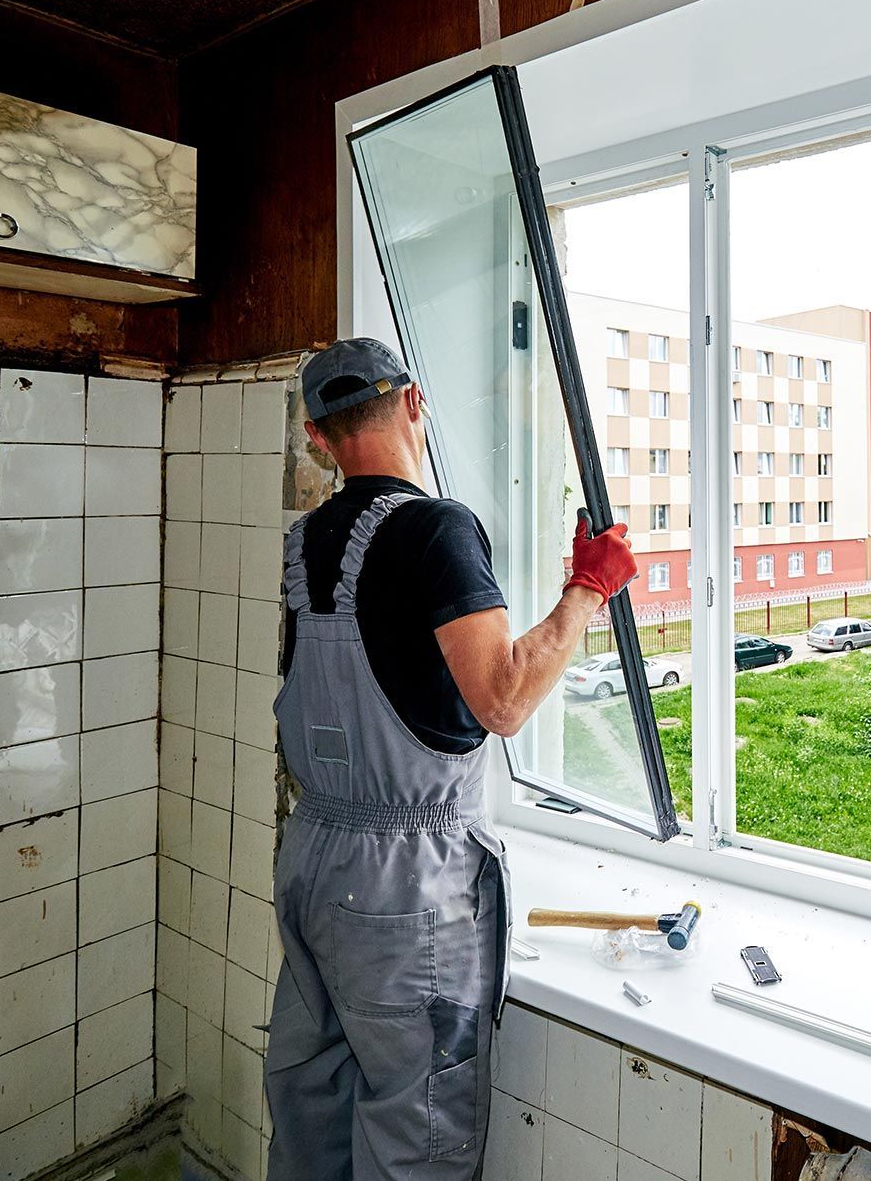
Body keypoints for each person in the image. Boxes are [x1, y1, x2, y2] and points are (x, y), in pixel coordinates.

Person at [262, 338, 636, 1179]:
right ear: (413, 405)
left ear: (321, 437)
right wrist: (588, 588)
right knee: (416, 1140)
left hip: (314, 860)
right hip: (403, 891)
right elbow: (503, 699)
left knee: (312, 1112)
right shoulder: (436, 528)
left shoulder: (308, 539)